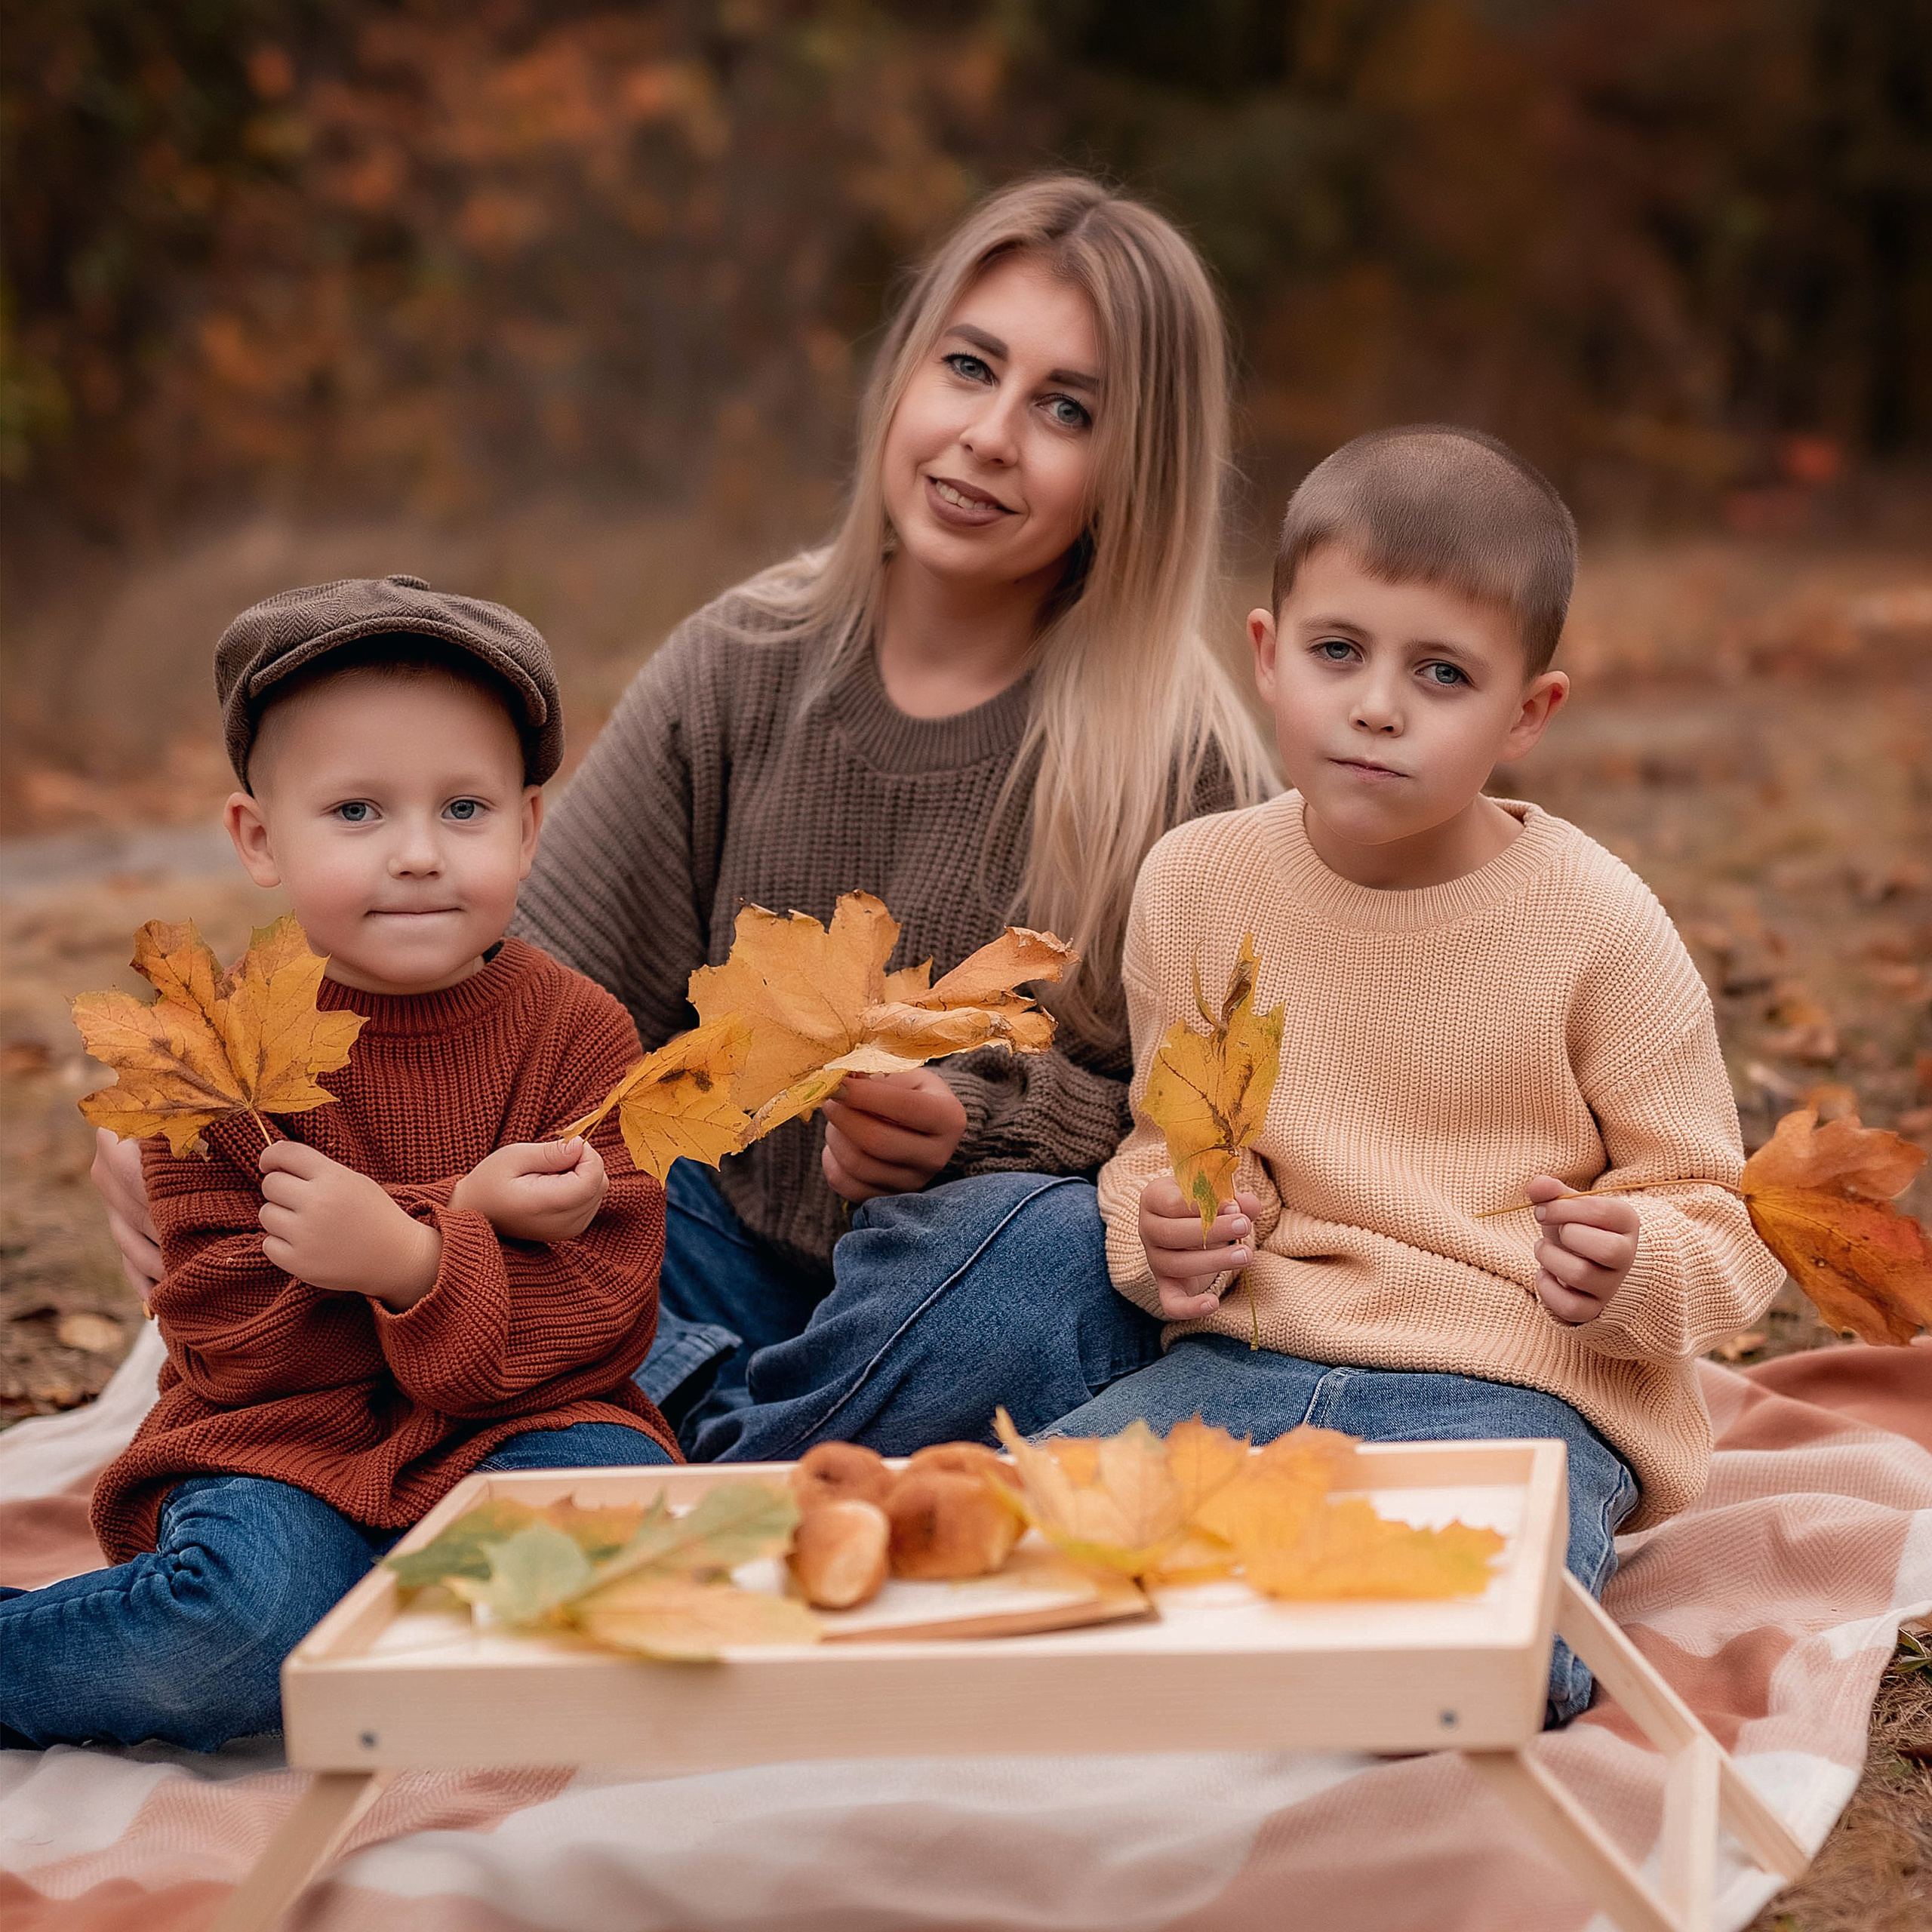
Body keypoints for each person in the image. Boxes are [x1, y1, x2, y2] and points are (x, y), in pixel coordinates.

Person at [92, 174, 1279, 1449]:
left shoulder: (1183, 759)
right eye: (969, 367)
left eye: (1066, 408)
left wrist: (986, 1124)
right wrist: (212, 1105)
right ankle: (741, 1452)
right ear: (903, 377)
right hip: (700, 1262)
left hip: (944, 1291)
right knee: (569, 1227)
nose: (991, 434)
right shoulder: (742, 662)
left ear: (1138, 465)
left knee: (1039, 1260)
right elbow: (483, 976)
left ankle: (686, 1458)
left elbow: (1223, 1136)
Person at [811, 424, 1783, 1723]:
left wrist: (1638, 1263)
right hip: (1241, 1365)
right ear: (1268, 655)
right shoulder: (1201, 884)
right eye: (1339, 652)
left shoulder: (1597, 925)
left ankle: (1339, 1725)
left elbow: (1722, 1217)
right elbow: (1164, 1150)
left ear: (1526, 714)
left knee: (1470, 1650)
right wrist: (1165, 1235)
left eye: (1442, 673)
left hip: (1507, 1391)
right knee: (1016, 1584)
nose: (1377, 704)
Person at [3, 577, 676, 1752]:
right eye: (357, 812)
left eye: (464, 809)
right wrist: (457, 1224)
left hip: (526, 1430)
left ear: (529, 827)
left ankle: (414, 1635)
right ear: (259, 838)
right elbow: (226, 1342)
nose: (417, 855)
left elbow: (598, 1320)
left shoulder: (581, 1036)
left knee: (638, 1544)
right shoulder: (215, 1055)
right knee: (241, 1628)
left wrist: (417, 1255)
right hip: (284, 1448)